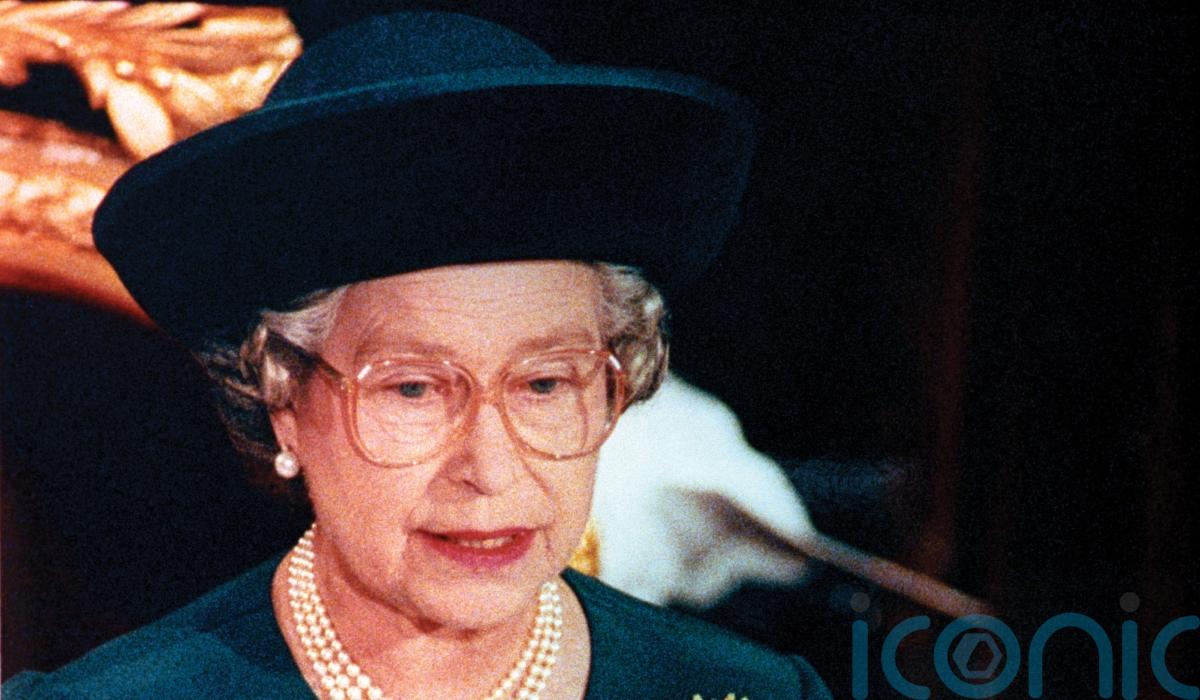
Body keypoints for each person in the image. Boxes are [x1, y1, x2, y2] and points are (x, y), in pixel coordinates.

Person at [3, 11, 831, 700]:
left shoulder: (746, 691)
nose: (489, 470)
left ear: (614, 393)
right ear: (284, 401)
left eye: (545, 383)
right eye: (413, 389)